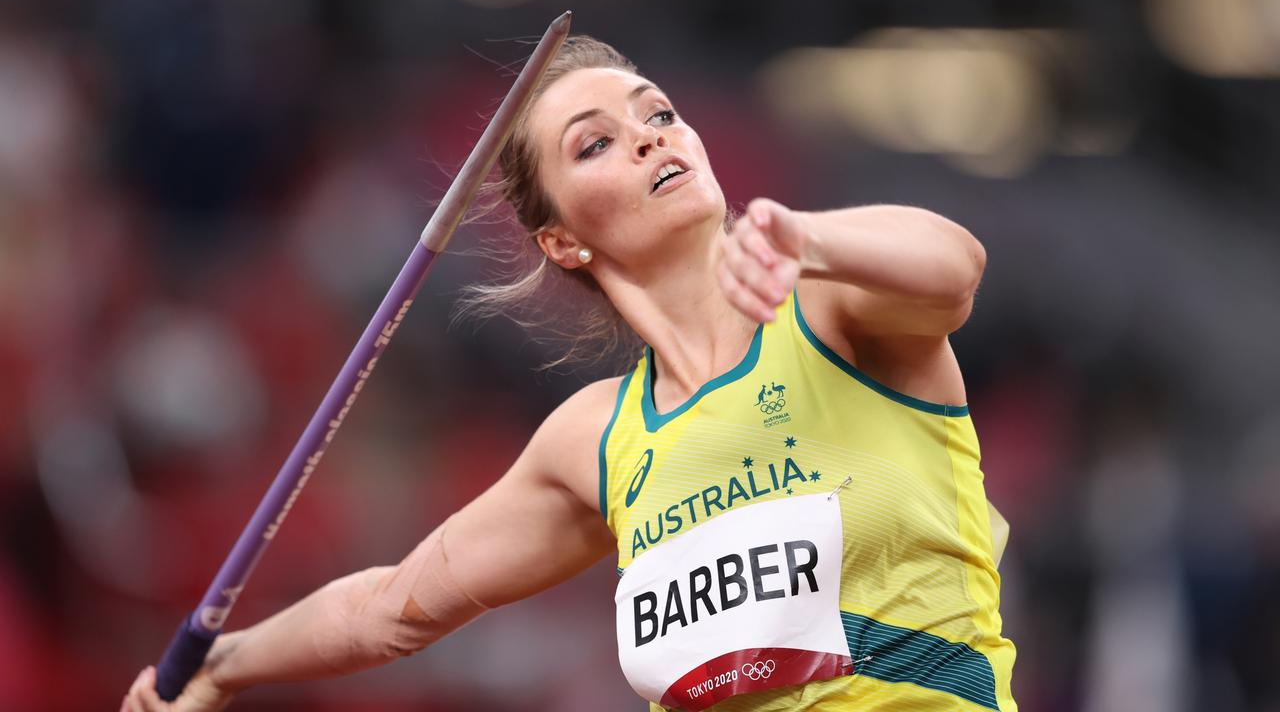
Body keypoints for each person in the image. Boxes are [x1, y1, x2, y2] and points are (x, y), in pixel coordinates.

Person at [123, 36, 1016, 712]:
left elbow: (954, 265)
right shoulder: (595, 439)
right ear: (561, 241)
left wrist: (813, 240)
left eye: (658, 114)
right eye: (596, 144)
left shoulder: (828, 308)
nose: (648, 139)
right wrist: (223, 665)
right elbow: (394, 607)